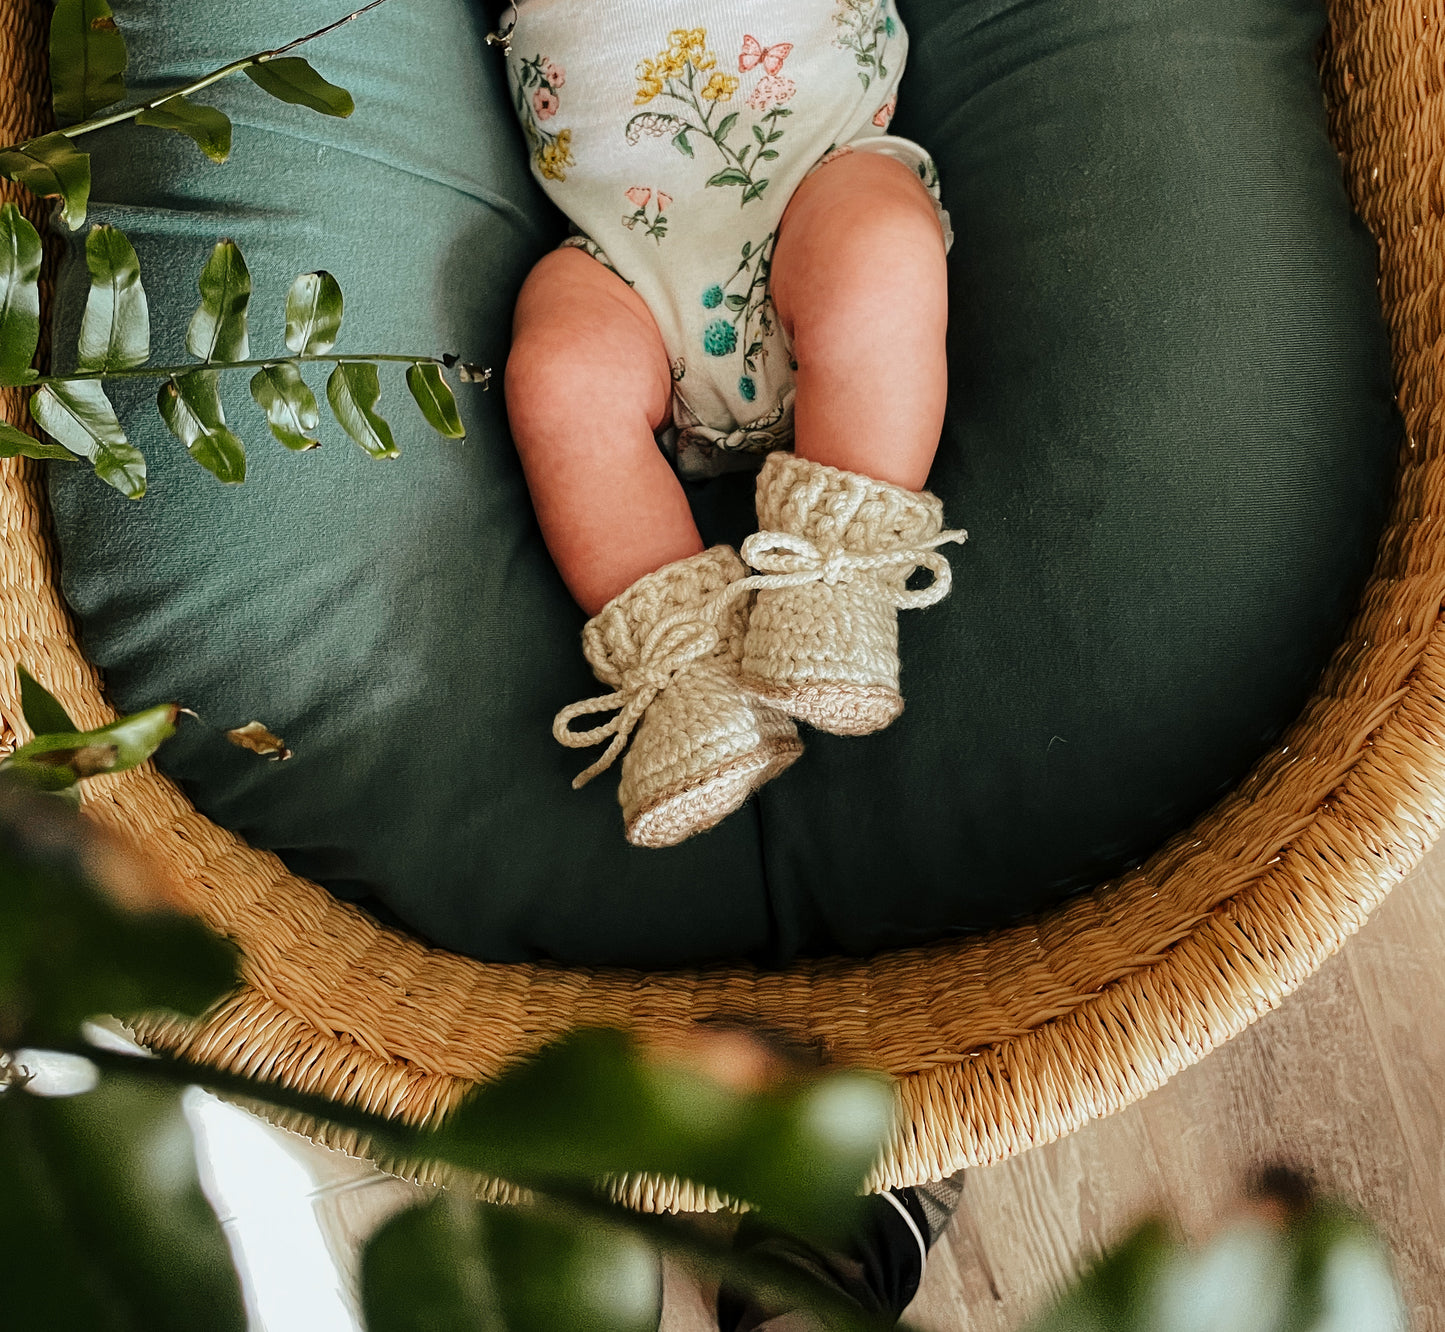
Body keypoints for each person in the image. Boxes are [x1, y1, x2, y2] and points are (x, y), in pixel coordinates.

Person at [490, 1, 963, 847]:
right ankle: (689, 675)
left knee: (881, 248)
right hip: (623, 260)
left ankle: (836, 577)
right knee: (558, 376)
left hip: (814, 185)